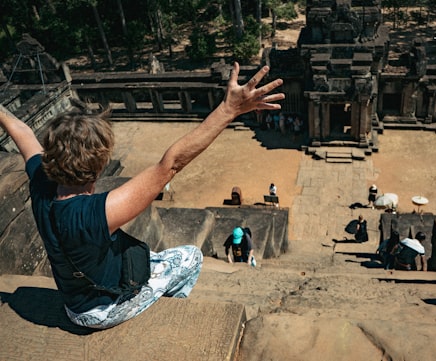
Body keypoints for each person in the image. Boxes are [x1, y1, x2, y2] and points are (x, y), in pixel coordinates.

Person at [0, 62, 284, 329]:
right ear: (99, 166)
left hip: (73, 302)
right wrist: (228, 110)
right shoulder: (98, 212)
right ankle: (167, 317)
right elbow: (170, 164)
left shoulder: (40, 182)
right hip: (102, 311)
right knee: (191, 257)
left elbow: (21, 130)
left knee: (155, 257)